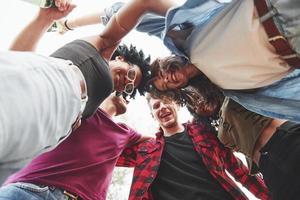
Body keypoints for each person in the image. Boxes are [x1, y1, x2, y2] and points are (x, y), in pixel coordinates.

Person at [74, 0, 300, 123]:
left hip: (280, 9)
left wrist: (69, 25)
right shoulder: (228, 88)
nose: (167, 78)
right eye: (167, 85)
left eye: (161, 74)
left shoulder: (188, 37)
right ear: (179, 89)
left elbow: (125, 9)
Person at [1, 0, 151, 163]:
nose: (125, 81)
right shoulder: (95, 50)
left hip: (26, 144)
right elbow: (18, 64)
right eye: (130, 73)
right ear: (121, 58)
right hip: (19, 108)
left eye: (129, 86)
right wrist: (48, 21)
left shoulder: (94, 107)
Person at [116, 93, 270, 200]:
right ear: (153, 115)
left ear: (176, 103)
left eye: (166, 101)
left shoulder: (203, 130)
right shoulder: (145, 150)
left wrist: (271, 196)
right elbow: (102, 153)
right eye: (156, 106)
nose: (162, 107)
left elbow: (239, 170)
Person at [0, 93, 144, 200]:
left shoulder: (125, 132)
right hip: (32, 190)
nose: (128, 97)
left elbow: (158, 143)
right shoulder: (80, 105)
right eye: (124, 92)